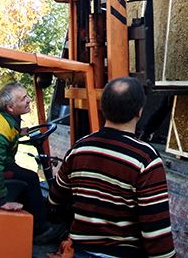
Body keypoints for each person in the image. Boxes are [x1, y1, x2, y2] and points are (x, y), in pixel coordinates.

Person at [49, 77, 176, 258]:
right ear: (139, 112)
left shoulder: (79, 148)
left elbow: (55, 199)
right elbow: (156, 232)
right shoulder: (146, 160)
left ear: (103, 107)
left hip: (78, 251)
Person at [0, 82, 64, 243]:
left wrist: (17, 133)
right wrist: (2, 201)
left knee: (27, 176)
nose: (29, 99)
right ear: (11, 108)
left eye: (27, 95)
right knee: (31, 178)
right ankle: (41, 229)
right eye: (24, 99)